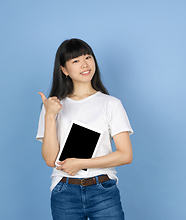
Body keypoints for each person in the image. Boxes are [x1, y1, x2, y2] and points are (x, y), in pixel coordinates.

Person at [36, 38, 133, 220]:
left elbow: (125, 155)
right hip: (64, 191)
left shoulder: (111, 104)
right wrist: (50, 115)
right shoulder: (52, 106)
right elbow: (50, 159)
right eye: (75, 61)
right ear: (64, 70)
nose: (84, 64)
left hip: (103, 189)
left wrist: (81, 163)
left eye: (88, 57)